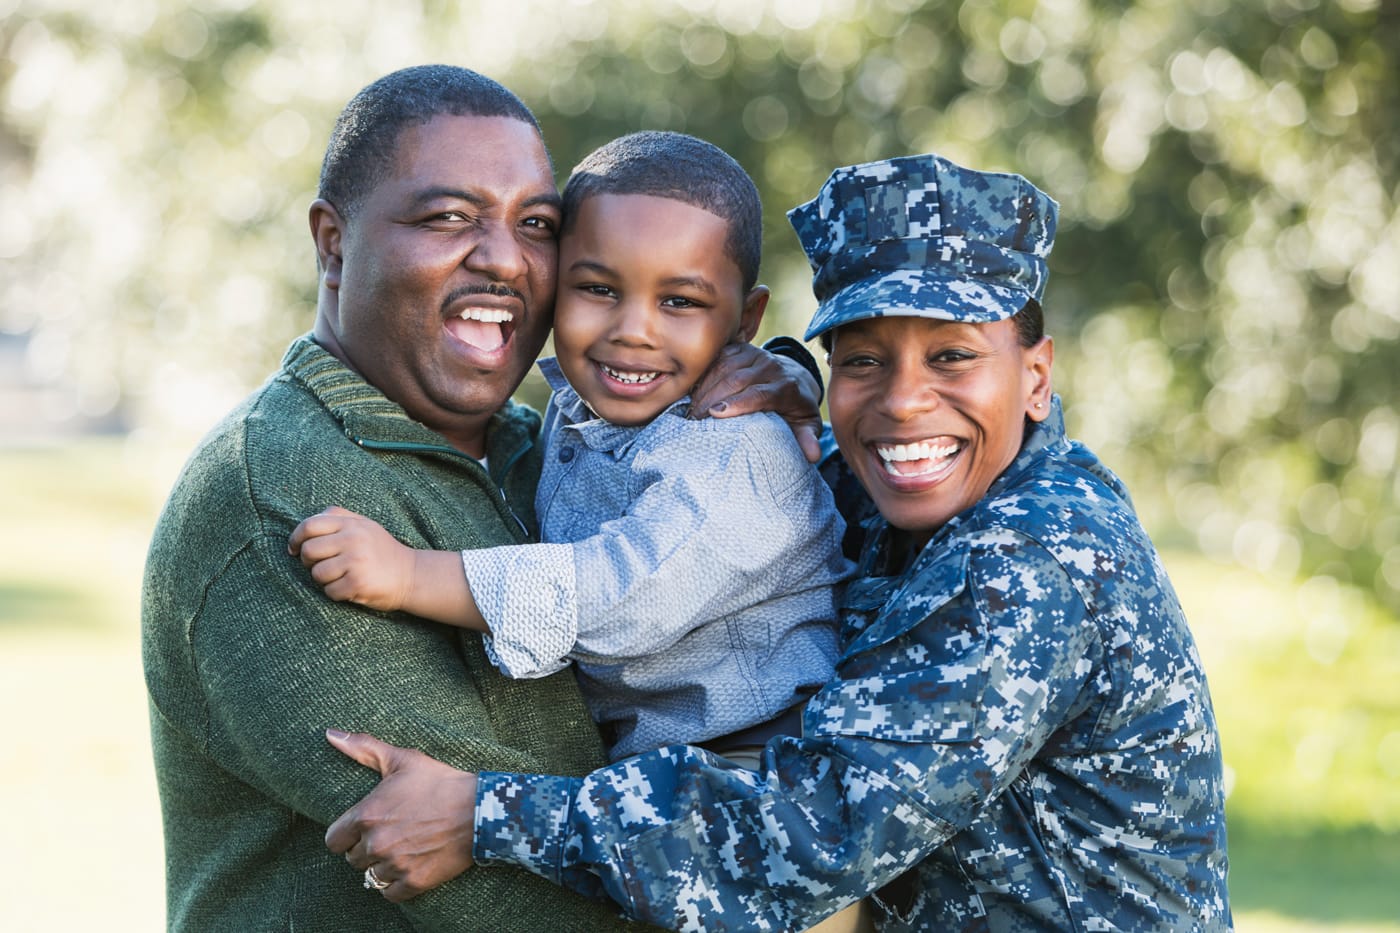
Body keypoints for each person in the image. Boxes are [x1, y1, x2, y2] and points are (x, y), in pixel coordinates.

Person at [322, 153, 1233, 931]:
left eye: (953, 356)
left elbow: (818, 828)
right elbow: (782, 474)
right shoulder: (899, 482)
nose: (905, 401)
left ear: (1035, 375)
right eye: (864, 359)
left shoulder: (1034, 555)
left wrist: (488, 815)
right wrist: (789, 374)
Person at [140, 65, 821, 933]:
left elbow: (768, 523)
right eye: (447, 217)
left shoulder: (545, 446)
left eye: (535, 225)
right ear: (333, 241)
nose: (503, 258)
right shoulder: (282, 493)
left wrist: (789, 382)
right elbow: (493, 887)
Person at [287, 130, 852, 765]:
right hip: (654, 759)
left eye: (679, 301)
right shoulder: (573, 409)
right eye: (599, 290)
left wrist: (412, 575)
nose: (633, 331)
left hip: (753, 759)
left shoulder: (736, 450)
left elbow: (620, 597)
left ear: (745, 322)